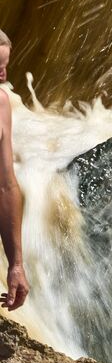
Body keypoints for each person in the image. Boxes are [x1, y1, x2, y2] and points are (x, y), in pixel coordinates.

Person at [0, 30, 28, 312]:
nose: (4, 77)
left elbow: (6, 185)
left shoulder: (1, 104)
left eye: (5, 67)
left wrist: (16, 264)